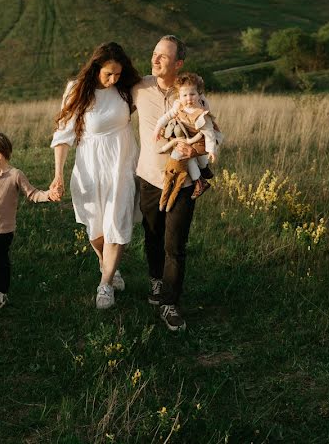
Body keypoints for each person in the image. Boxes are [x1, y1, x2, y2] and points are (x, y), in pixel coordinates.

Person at [50, 42, 142, 310]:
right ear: (95, 69)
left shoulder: (126, 89)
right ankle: (106, 264)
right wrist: (58, 175)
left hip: (122, 163)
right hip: (90, 165)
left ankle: (105, 284)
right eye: (108, 74)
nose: (114, 79)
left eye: (118, 74)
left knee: (118, 220)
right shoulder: (77, 90)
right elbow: (63, 135)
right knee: (96, 228)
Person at [132, 35, 201, 331]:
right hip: (148, 177)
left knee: (175, 245)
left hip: (182, 182)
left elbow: (206, 138)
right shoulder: (139, 87)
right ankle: (157, 281)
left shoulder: (189, 94)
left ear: (178, 63)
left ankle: (170, 304)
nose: (155, 59)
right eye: (154, 53)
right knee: (152, 236)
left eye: (164, 56)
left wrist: (193, 149)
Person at [0, 132, 58, 310]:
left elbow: (32, 194)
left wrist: (49, 195)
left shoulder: (15, 175)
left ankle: (1, 292)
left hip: (1, 233)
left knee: (0, 263)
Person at [154, 72, 222, 207]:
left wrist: (211, 150)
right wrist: (158, 128)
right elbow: (167, 116)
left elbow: (208, 134)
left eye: (192, 94)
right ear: (179, 96)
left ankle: (200, 179)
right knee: (189, 153)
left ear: (199, 94)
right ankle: (203, 171)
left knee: (189, 154)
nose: (189, 98)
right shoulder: (178, 105)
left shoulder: (202, 113)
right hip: (188, 136)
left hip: (201, 137)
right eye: (184, 95)